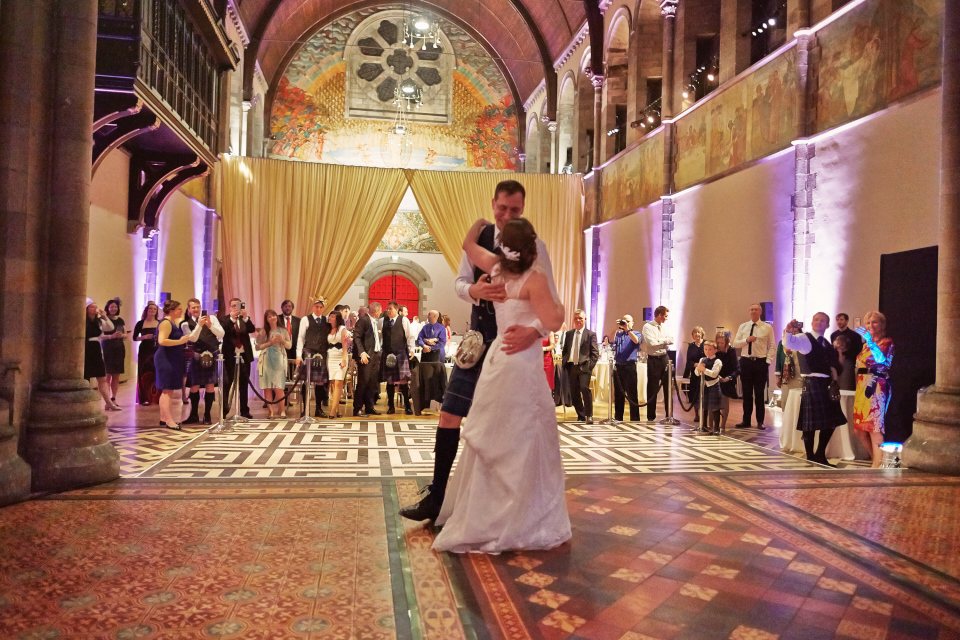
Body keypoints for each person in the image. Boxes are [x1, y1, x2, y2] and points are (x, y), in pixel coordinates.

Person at [400, 180, 559, 523]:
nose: (507, 215)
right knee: (449, 414)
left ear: (523, 208)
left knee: (503, 426)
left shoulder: (536, 247)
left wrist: (534, 332)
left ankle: (494, 503)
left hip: (513, 345)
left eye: (515, 210)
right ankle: (438, 496)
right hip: (477, 342)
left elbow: (549, 302)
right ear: (493, 204)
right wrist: (475, 291)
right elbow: (460, 283)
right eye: (502, 208)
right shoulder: (481, 245)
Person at [432, 216, 569, 553]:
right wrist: (541, 323)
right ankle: (520, 514)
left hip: (496, 359)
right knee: (523, 435)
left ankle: (483, 513)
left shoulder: (494, 268)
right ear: (531, 248)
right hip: (521, 361)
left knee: (494, 433)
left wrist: (475, 228)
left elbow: (468, 248)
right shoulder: (533, 278)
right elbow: (554, 320)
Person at [782, 313, 847, 466]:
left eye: (822, 321)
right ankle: (811, 457)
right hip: (812, 382)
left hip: (826, 383)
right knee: (810, 424)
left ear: (828, 325)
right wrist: (787, 330)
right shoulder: (805, 338)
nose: (819, 322)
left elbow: (834, 365)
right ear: (811, 323)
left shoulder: (826, 342)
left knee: (831, 421)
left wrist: (835, 381)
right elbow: (789, 343)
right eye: (816, 320)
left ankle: (819, 455)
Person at [854, 311, 895, 468]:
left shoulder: (887, 342)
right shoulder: (865, 346)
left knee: (874, 427)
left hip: (877, 385)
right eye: (868, 323)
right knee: (859, 429)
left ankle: (877, 466)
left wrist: (871, 342)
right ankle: (877, 460)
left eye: (874, 322)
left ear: (882, 325)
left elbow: (880, 360)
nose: (870, 325)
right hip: (862, 385)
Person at [180, 299, 224, 425]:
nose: (196, 309)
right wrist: (199, 325)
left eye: (198, 307)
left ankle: (207, 415)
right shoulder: (185, 324)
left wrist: (209, 325)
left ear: (201, 307)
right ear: (188, 309)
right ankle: (193, 414)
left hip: (212, 355)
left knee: (210, 385)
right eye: (193, 307)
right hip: (197, 356)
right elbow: (192, 338)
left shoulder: (212, 319)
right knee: (194, 386)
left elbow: (221, 333)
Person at [733, 303, 776, 430]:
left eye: (756, 309)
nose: (753, 311)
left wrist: (767, 361)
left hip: (760, 362)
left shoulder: (767, 327)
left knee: (759, 394)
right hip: (746, 362)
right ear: (749, 311)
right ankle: (746, 420)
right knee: (746, 393)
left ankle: (760, 421)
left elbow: (772, 346)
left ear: (760, 312)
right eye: (751, 309)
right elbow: (736, 343)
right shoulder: (743, 326)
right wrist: (747, 340)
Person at [155, 299, 190, 430]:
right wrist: (180, 341)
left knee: (167, 390)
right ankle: (169, 420)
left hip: (172, 358)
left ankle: (164, 417)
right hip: (165, 358)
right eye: (179, 309)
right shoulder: (165, 323)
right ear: (172, 310)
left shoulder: (172, 322)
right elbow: (162, 341)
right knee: (167, 390)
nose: (181, 311)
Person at [562, 310, 600, 423]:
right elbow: (565, 350)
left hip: (584, 367)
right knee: (574, 392)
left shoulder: (590, 334)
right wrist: (565, 363)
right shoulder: (569, 334)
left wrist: (589, 366)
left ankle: (589, 415)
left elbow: (595, 353)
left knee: (585, 389)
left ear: (585, 319)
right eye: (576, 318)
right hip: (571, 367)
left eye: (580, 318)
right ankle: (581, 414)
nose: (578, 320)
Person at [379, 301, 417, 415]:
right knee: (389, 382)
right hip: (387, 354)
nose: (388, 310)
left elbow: (410, 336)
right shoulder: (382, 321)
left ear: (396, 310)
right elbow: (380, 337)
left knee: (403, 381)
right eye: (387, 308)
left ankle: (407, 406)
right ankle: (391, 406)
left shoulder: (404, 320)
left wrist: (411, 349)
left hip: (401, 353)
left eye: (390, 309)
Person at [296, 297, 331, 418]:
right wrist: (298, 355)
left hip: (322, 354)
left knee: (320, 383)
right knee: (307, 382)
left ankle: (318, 408)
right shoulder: (305, 319)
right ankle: (305, 409)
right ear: (313, 307)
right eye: (317, 307)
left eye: (321, 307)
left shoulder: (327, 320)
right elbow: (301, 338)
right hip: (309, 353)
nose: (319, 309)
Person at [221, 298, 256, 419]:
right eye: (233, 306)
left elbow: (252, 329)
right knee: (227, 383)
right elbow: (224, 330)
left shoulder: (245, 319)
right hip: (230, 356)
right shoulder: (225, 319)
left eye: (238, 305)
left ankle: (244, 410)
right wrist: (232, 318)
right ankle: (224, 410)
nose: (236, 308)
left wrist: (245, 318)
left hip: (244, 356)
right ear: (229, 307)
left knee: (244, 384)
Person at [84, 299, 120, 411]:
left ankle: (108, 402)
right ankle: (85, 403)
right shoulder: (82, 320)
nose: (94, 309)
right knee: (85, 377)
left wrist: (105, 316)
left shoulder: (99, 321)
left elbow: (110, 327)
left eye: (95, 306)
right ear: (86, 309)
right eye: (91, 307)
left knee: (102, 377)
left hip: (95, 349)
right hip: (85, 348)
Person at [256, 309, 292, 419]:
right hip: (266, 360)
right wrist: (269, 343)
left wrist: (282, 340)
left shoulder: (283, 330)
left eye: (274, 315)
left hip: (279, 360)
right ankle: (270, 411)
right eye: (269, 316)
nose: (272, 317)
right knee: (267, 387)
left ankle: (282, 410)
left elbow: (289, 346)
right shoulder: (263, 331)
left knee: (279, 387)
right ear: (266, 319)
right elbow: (257, 347)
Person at [642, 306, 674, 421]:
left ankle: (669, 415)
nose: (666, 318)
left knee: (668, 387)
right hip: (653, 359)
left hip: (664, 358)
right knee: (652, 388)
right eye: (665, 316)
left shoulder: (665, 327)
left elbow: (671, 340)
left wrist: (659, 340)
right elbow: (650, 343)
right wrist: (663, 341)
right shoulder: (647, 326)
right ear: (659, 315)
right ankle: (651, 416)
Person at [353, 303, 383, 417]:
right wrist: (362, 352)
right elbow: (357, 337)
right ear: (377, 311)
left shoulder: (376, 321)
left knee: (372, 383)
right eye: (380, 311)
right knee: (363, 382)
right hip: (366, 356)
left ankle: (369, 406)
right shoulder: (363, 320)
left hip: (375, 356)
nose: (380, 312)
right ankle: (358, 408)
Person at [612, 315, 642, 421]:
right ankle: (618, 417)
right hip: (618, 367)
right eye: (624, 321)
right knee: (618, 394)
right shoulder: (618, 335)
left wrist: (627, 329)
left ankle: (635, 418)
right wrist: (616, 328)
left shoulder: (636, 333)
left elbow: (636, 341)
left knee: (632, 394)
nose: (625, 323)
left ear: (632, 323)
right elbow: (611, 340)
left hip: (630, 367)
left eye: (628, 321)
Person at [418, 310, 448, 408]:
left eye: (429, 314)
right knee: (425, 378)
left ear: (435, 316)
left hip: (437, 356)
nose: (427, 315)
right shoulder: (425, 327)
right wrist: (424, 345)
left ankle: (439, 400)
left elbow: (442, 343)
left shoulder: (442, 328)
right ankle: (424, 403)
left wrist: (431, 347)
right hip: (426, 356)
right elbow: (419, 339)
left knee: (436, 379)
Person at [133, 301, 160, 405]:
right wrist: (144, 337)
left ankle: (156, 396)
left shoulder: (159, 322)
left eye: (154, 309)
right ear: (146, 311)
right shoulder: (140, 323)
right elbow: (134, 337)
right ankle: (145, 398)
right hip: (144, 349)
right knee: (144, 372)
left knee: (156, 371)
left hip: (156, 348)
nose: (152, 310)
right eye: (150, 309)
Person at [101, 298, 127, 407]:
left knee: (116, 375)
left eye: (115, 307)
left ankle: (113, 398)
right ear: (108, 307)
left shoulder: (120, 320)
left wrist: (122, 335)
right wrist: (111, 336)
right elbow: (100, 335)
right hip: (108, 348)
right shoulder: (103, 319)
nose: (113, 309)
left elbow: (126, 335)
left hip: (119, 348)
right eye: (111, 307)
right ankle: (107, 401)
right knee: (107, 375)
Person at [693, 340, 723, 433]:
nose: (707, 351)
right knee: (704, 406)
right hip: (704, 385)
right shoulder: (702, 359)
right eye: (705, 349)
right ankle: (704, 426)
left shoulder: (717, 361)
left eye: (710, 349)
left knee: (715, 407)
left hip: (713, 385)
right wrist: (698, 369)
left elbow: (714, 374)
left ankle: (717, 428)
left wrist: (704, 369)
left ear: (715, 350)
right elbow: (697, 373)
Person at [325, 310, 350, 419]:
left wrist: (344, 359)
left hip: (340, 357)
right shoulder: (328, 329)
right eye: (330, 316)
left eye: (332, 316)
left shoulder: (342, 329)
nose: (330, 318)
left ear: (337, 318)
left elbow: (345, 347)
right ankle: (338, 410)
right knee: (333, 384)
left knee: (339, 382)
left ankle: (332, 411)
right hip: (330, 358)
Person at [715, 332, 739, 429]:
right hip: (715, 378)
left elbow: (737, 368)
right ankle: (713, 425)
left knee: (724, 401)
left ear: (726, 342)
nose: (720, 345)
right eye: (718, 343)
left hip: (726, 379)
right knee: (714, 402)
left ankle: (722, 425)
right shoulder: (715, 350)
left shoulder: (731, 351)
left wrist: (728, 378)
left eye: (722, 343)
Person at [683, 326, 706, 424]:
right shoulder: (691, 346)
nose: (697, 334)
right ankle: (696, 414)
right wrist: (696, 365)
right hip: (695, 373)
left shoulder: (706, 344)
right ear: (692, 335)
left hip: (705, 372)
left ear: (702, 334)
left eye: (698, 332)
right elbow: (689, 360)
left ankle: (705, 414)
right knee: (695, 394)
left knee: (705, 393)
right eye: (695, 333)